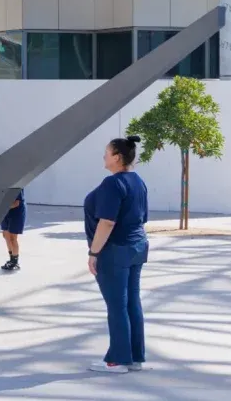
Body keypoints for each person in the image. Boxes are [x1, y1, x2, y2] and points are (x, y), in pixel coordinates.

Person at [86, 135, 150, 373]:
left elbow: (107, 222)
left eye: (107, 152)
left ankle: (117, 360)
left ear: (117, 157)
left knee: (117, 305)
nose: (103, 156)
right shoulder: (138, 181)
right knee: (132, 301)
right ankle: (134, 358)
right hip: (137, 246)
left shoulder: (112, 184)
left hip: (116, 250)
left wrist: (94, 252)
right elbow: (142, 217)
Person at [0, 188, 26, 271]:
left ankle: (15, 262)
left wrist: (2, 207)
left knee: (12, 237)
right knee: (5, 235)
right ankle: (11, 259)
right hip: (6, 212)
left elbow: (16, 203)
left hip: (16, 213)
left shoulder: (18, 185)